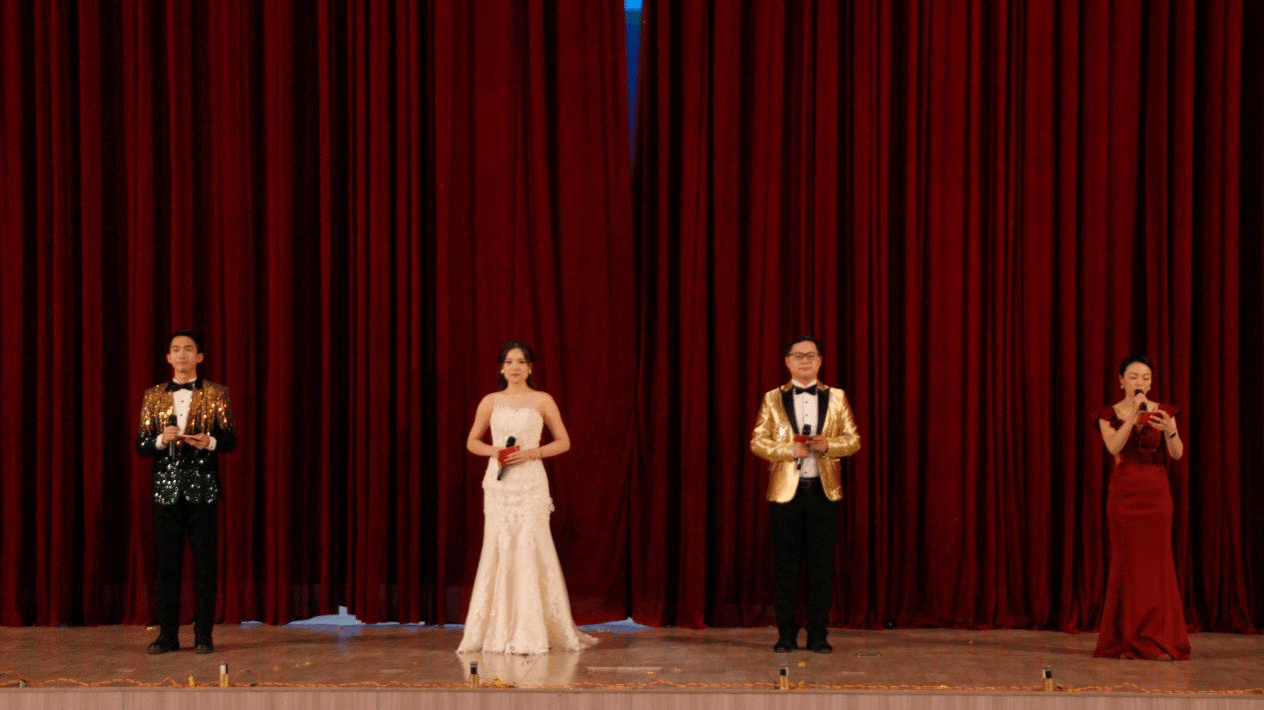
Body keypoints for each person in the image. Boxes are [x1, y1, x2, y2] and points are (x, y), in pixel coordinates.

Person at [457, 340, 596, 654]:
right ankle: (498, 629)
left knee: (531, 546)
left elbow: (563, 441)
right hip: (500, 486)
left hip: (531, 483)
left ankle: (531, 630)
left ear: (530, 368)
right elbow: (472, 441)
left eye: (521, 362)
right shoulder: (490, 401)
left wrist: (532, 453)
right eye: (509, 362)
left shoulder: (542, 400)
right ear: (501, 368)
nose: (515, 367)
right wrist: (496, 451)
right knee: (499, 546)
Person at [750, 335, 861, 653]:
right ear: (787, 361)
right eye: (798, 355)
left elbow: (853, 440)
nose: (805, 361)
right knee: (785, 567)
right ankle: (786, 634)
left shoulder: (837, 397)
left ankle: (818, 634)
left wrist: (828, 445)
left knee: (821, 567)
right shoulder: (773, 398)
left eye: (811, 355)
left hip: (823, 494)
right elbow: (758, 441)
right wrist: (788, 450)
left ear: (820, 361)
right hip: (786, 495)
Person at [134, 330, 237, 654]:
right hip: (165, 492)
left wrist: (210, 442)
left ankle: (203, 635)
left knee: (205, 566)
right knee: (167, 567)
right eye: (176, 349)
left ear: (199, 356)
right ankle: (167, 635)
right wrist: (161, 440)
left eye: (188, 349)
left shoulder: (217, 394)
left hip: (203, 490)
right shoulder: (153, 396)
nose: (182, 355)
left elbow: (230, 440)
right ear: (168, 357)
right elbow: (141, 444)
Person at [1094, 355, 1189, 660]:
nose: (1141, 383)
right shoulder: (1108, 414)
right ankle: (1125, 638)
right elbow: (1113, 446)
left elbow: (1177, 454)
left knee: (1156, 565)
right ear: (1121, 380)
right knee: (1127, 565)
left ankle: (1159, 637)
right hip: (1124, 495)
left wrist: (1169, 429)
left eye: (1146, 378)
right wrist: (1133, 416)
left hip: (1155, 495)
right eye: (1134, 377)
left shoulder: (1164, 411)